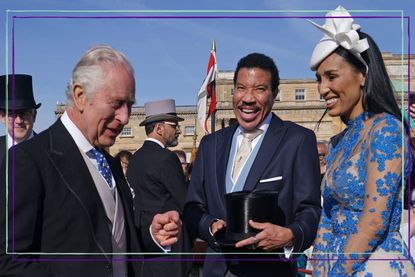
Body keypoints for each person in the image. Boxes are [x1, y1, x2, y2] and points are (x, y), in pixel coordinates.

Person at [0, 45, 181, 277]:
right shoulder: (27, 160)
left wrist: (152, 235)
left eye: (130, 105)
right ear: (80, 96)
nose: (125, 118)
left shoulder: (110, 162)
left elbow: (113, 241)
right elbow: (8, 260)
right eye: (116, 103)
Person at [183, 53, 321, 276]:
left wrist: (291, 234)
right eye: (241, 88)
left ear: (274, 94)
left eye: (259, 89)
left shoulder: (298, 140)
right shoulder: (210, 144)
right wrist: (208, 225)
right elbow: (192, 207)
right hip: (216, 270)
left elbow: (310, 210)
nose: (247, 98)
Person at [308, 6, 415, 275]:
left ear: (363, 74)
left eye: (331, 76)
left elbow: (374, 221)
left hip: (375, 264)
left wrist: (335, 272)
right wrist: (319, 264)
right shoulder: (337, 141)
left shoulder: (387, 130)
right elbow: (328, 216)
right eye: (319, 79)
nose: (322, 88)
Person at [127, 99, 193, 277]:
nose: (178, 130)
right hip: (169, 243)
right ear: (159, 128)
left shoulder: (134, 159)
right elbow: (185, 201)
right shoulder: (166, 158)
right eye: (174, 125)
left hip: (144, 244)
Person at [0, 74, 40, 162]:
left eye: (24, 113)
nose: (19, 121)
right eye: (12, 114)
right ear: (2, 117)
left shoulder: (51, 152)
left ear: (34, 116)